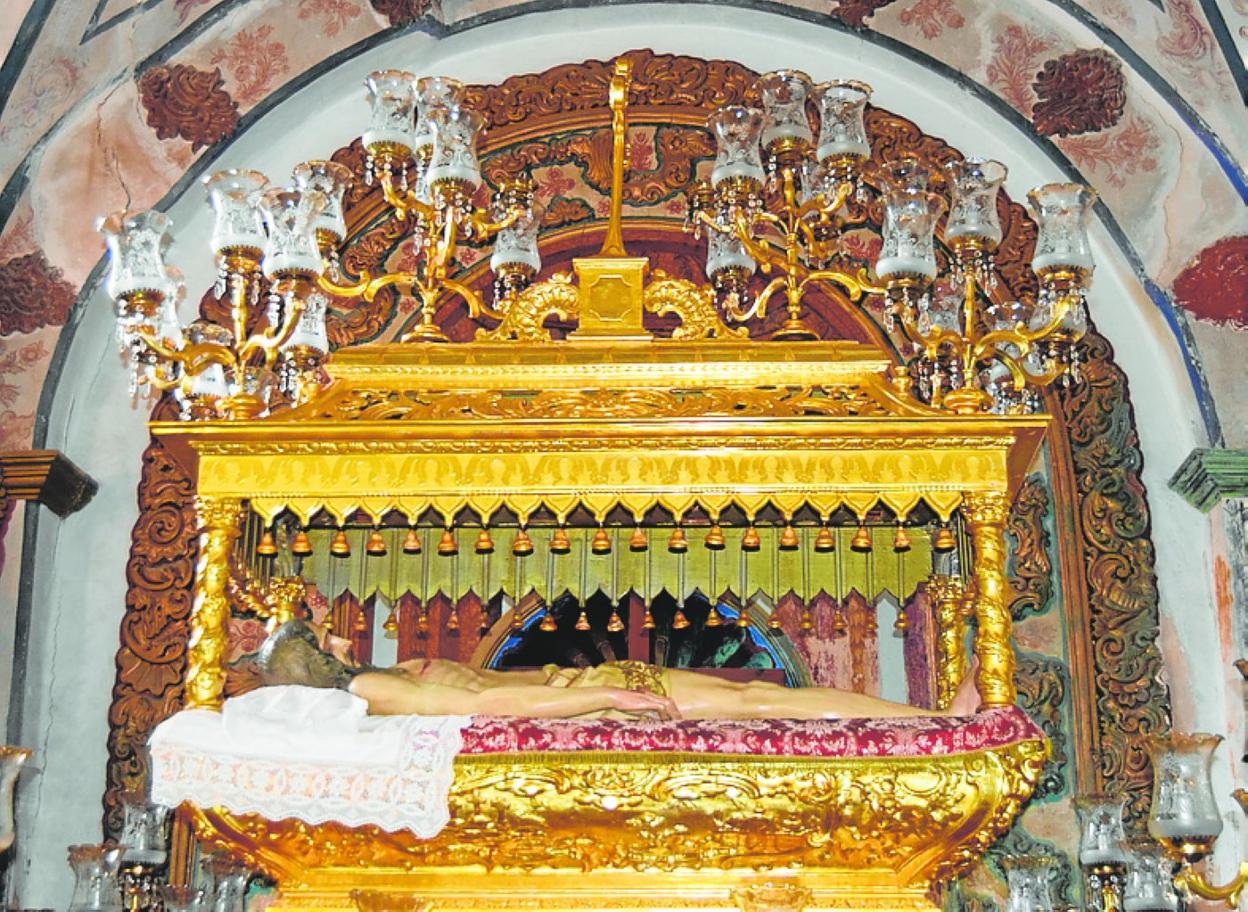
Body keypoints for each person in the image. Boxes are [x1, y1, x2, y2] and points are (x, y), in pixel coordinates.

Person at [256, 618, 981, 721]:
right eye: (322, 639)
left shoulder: (388, 676)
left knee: (763, 699)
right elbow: (496, 710)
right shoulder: (372, 688)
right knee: (762, 703)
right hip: (590, 694)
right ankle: (934, 723)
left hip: (588, 688)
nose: (339, 637)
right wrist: (605, 692)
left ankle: (929, 721)